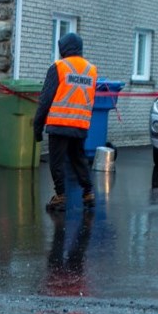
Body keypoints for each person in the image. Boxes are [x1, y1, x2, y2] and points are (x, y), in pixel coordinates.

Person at [33, 32, 97, 212]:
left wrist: (37, 126)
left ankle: (60, 196)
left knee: (57, 162)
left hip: (59, 123)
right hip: (80, 124)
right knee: (79, 159)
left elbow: (45, 99)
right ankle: (88, 192)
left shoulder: (59, 67)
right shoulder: (91, 70)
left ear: (63, 48)